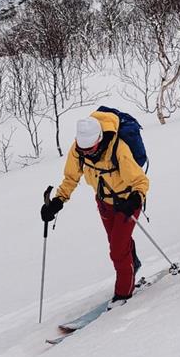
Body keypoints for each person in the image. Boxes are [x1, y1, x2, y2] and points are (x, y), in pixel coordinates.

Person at [40, 111, 149, 308]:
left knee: (117, 250)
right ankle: (133, 265)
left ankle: (124, 293)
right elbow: (71, 178)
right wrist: (58, 202)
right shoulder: (79, 148)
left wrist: (134, 199)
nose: (87, 153)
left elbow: (140, 181)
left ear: (99, 139)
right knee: (117, 243)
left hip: (126, 202)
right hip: (103, 202)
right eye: (84, 150)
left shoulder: (118, 149)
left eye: (91, 149)